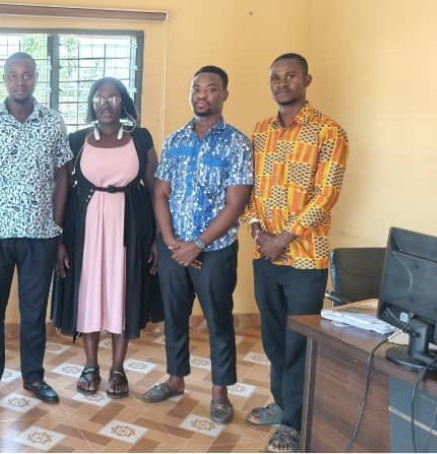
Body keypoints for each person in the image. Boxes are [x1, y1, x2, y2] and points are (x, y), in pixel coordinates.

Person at [242, 53, 349, 453]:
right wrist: (257, 230)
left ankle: (293, 422)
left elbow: (326, 195)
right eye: (276, 77)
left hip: (306, 256)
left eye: (290, 76)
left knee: (298, 342)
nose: (282, 83)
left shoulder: (329, 132)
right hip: (265, 255)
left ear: (307, 80)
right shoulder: (260, 131)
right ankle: (283, 403)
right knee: (273, 338)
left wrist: (283, 237)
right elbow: (249, 188)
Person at [0, 52, 72, 408]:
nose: (20, 81)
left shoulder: (53, 122)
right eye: (13, 75)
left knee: (34, 313)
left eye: (27, 75)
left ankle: (34, 377)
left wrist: (56, 227)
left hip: (40, 235)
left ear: (36, 77)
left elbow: (63, 177)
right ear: (5, 79)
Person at [144, 66, 253, 424]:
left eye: (211, 88)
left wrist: (199, 244)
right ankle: (175, 379)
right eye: (196, 89)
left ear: (224, 94)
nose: (202, 95)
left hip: (215, 251)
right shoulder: (175, 140)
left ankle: (220, 393)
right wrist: (171, 242)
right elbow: (160, 193)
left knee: (217, 319)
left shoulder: (236, 143)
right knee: (174, 315)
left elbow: (235, 203)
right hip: (174, 248)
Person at [51, 77, 161, 399]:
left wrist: (158, 238)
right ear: (92, 103)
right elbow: (62, 188)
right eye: (99, 97)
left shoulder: (140, 139)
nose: (106, 103)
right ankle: (90, 366)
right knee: (89, 293)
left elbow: (155, 188)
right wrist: (58, 239)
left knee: (121, 293)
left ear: (122, 102)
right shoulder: (76, 140)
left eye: (113, 97)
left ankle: (117, 368)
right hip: (85, 229)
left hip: (130, 229)